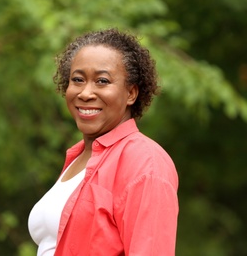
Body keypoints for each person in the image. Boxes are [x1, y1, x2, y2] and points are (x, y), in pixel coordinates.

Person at [28, 28, 178, 255]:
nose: (86, 92)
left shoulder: (146, 163)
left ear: (131, 94)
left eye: (102, 81)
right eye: (78, 80)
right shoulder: (77, 158)